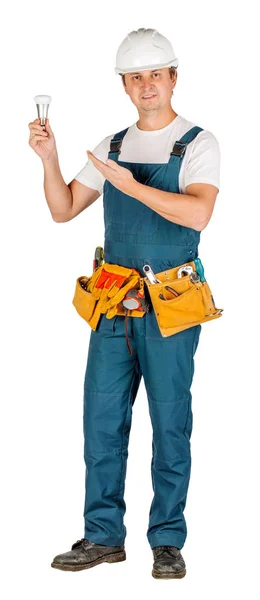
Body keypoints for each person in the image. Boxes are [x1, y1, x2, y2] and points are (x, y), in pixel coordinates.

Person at [28, 27, 220, 579]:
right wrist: (49, 157)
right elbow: (63, 209)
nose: (146, 86)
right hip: (115, 303)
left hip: (172, 301)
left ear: (173, 77)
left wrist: (128, 184)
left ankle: (167, 541)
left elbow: (198, 214)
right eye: (135, 77)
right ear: (125, 85)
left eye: (154, 74)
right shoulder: (112, 147)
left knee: (170, 420)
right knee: (102, 419)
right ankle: (103, 536)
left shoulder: (198, 144)